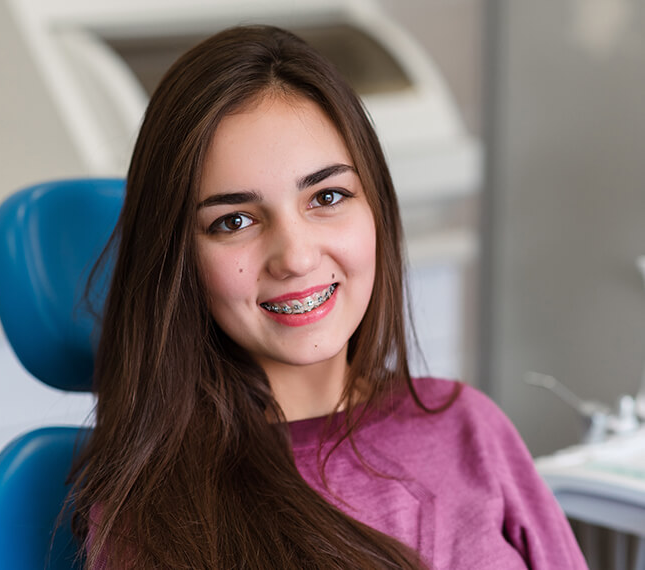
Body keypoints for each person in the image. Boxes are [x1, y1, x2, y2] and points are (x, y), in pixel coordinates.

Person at [69, 25, 587, 569]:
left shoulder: (468, 426)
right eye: (235, 220)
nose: (295, 256)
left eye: (328, 195)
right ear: (179, 260)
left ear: (376, 209)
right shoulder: (154, 515)